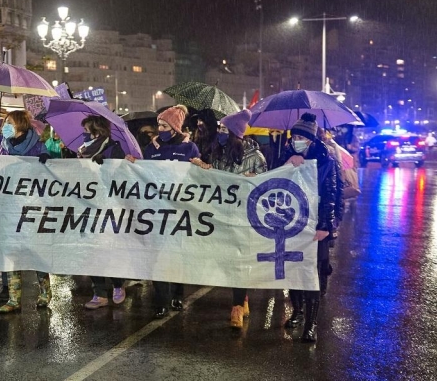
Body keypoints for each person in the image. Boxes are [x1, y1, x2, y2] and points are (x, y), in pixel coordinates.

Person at [129, 105, 200, 319]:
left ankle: (177, 293)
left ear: (175, 128)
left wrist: (201, 166)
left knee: (176, 255)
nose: (159, 128)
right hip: (156, 211)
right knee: (156, 256)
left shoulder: (189, 148)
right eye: (158, 125)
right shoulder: (153, 147)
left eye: (164, 125)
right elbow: (144, 171)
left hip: (179, 212)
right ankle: (160, 300)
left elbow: (197, 179)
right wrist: (134, 165)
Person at [198, 109, 267, 328]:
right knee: (226, 261)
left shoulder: (256, 157)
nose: (219, 133)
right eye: (219, 129)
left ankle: (237, 306)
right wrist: (205, 169)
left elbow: (266, 186)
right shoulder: (217, 152)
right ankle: (242, 297)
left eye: (224, 129)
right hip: (222, 216)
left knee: (239, 262)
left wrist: (255, 179)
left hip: (243, 218)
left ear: (236, 133)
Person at [282, 112, 338, 343]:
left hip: (317, 227)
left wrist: (326, 225)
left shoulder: (326, 160)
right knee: (294, 271)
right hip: (293, 224)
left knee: (312, 274)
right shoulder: (286, 155)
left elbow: (331, 195)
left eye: (301, 137)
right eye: (294, 136)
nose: (296, 140)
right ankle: (297, 311)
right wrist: (287, 165)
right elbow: (274, 183)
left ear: (311, 140)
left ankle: (311, 324)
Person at [0, 110, 52, 313]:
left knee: (35, 252)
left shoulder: (37, 146)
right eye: (4, 123)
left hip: (31, 207)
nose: (5, 127)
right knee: (12, 252)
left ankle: (45, 292)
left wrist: (47, 158)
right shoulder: (2, 146)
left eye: (9, 123)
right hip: (9, 206)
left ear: (20, 125)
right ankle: (13, 299)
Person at [77, 115, 128, 310]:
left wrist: (106, 166)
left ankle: (117, 284)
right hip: (86, 206)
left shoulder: (113, 148)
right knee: (91, 250)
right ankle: (99, 292)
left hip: (109, 206)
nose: (84, 135)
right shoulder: (82, 152)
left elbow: (122, 177)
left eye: (86, 131)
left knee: (109, 247)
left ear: (96, 132)